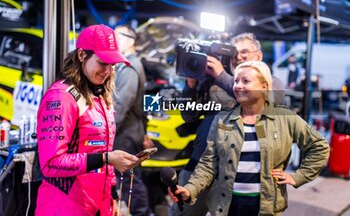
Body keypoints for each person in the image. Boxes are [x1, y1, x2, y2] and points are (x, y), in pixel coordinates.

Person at [169, 61, 329, 216]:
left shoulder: (285, 118)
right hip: (226, 205)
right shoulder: (222, 119)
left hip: (264, 207)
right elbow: (208, 164)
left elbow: (319, 146)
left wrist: (297, 177)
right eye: (236, 80)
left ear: (264, 87)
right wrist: (190, 189)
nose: (238, 85)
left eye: (245, 81)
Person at [35, 24, 147, 216]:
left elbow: (104, 149)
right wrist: (106, 159)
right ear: (81, 55)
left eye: (113, 64)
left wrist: (112, 197)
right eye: (103, 62)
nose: (108, 70)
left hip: (97, 205)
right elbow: (51, 163)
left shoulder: (100, 95)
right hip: (65, 207)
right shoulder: (61, 97)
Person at [170, 33, 284, 216]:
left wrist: (221, 75)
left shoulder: (270, 83)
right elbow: (188, 115)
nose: (238, 57)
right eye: (233, 53)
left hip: (238, 173)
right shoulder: (211, 80)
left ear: (259, 56)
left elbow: (267, 99)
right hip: (200, 164)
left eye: (245, 52)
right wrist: (190, 85)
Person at [113, 25, 153, 216]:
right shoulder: (128, 64)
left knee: (129, 180)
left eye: (116, 37)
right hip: (131, 131)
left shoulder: (129, 67)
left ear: (129, 40)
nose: (113, 42)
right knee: (129, 178)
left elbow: (121, 105)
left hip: (125, 133)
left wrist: (108, 131)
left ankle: (142, 213)